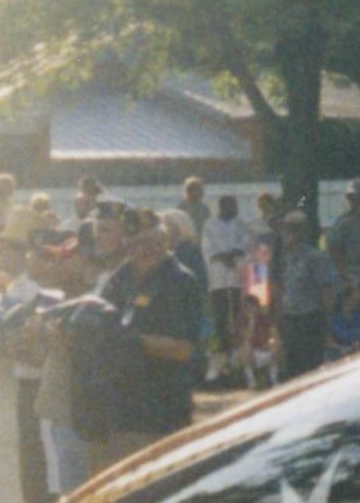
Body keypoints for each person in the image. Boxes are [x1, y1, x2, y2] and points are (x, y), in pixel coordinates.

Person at [90, 212, 204, 470]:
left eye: (154, 242)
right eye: (137, 244)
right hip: (123, 406)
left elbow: (184, 349)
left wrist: (133, 341)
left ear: (166, 242)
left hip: (163, 407)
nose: (146, 251)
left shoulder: (180, 281)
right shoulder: (122, 277)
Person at [271, 213, 342, 381]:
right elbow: (279, 289)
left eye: (294, 229)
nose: (288, 233)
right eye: (286, 229)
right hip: (290, 319)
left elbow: (327, 289)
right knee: (290, 368)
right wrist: (278, 317)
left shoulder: (316, 257)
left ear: (303, 232)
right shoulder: (282, 259)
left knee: (309, 368)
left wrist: (326, 318)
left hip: (310, 319)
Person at [197, 193, 253, 386]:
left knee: (237, 317)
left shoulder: (241, 224)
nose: (234, 208)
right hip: (218, 278)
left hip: (237, 277)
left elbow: (246, 243)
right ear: (222, 206)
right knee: (221, 319)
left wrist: (233, 256)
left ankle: (239, 360)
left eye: (235, 205)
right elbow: (208, 250)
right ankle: (222, 359)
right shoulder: (209, 225)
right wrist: (223, 257)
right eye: (230, 205)